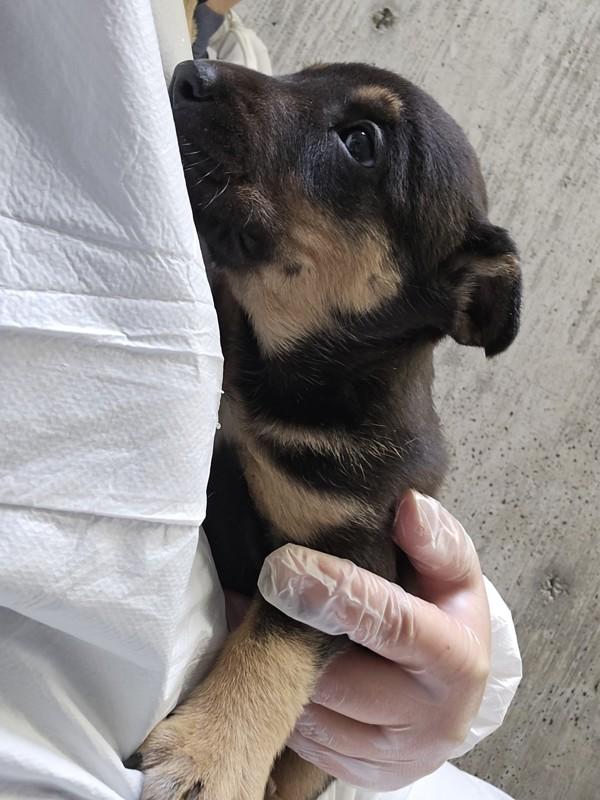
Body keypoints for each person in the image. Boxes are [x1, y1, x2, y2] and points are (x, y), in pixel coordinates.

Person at [0, 3, 521, 800]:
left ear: (461, 298)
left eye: (359, 145)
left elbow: (348, 573)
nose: (208, 78)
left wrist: (461, 660)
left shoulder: (358, 456)